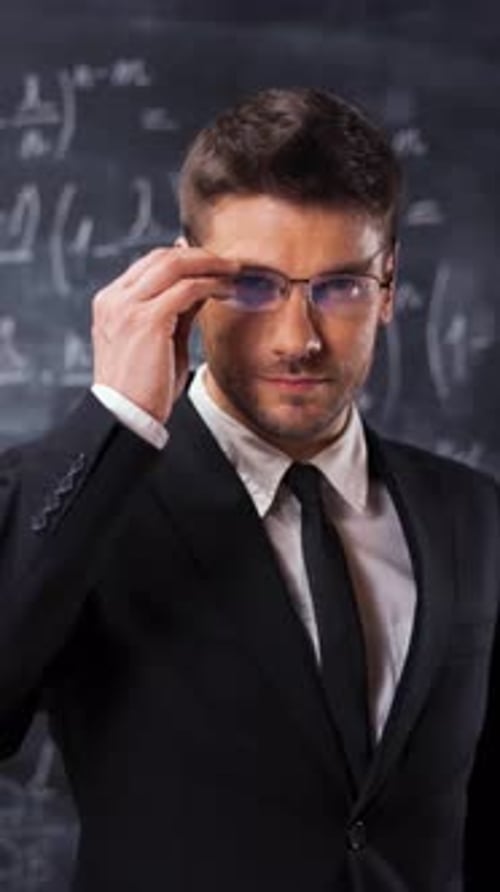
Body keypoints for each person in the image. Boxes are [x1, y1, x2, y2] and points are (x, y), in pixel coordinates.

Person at [0, 86, 497, 892]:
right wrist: (115, 418)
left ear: (391, 285)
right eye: (254, 286)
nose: (297, 338)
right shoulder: (85, 502)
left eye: (339, 286)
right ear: (185, 279)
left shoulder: (474, 517)